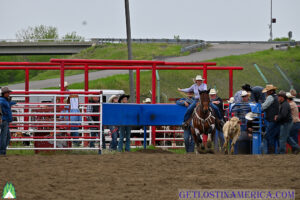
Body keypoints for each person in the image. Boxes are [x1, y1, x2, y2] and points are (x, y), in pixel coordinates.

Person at [261, 84, 280, 154]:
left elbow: (263, 106)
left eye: (267, 91)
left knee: (269, 135)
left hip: (271, 119)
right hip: (277, 119)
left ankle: (271, 151)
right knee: (277, 135)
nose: (266, 92)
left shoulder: (270, 98)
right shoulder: (277, 97)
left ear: (271, 91)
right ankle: (279, 151)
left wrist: (258, 108)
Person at [0, 87, 16, 155]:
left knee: (7, 136)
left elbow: (11, 103)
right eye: (8, 93)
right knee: (4, 136)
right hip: (4, 120)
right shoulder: (3, 101)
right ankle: (2, 151)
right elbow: (9, 104)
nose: (9, 94)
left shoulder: (4, 100)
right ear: (4, 93)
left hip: (4, 120)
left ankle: (2, 150)